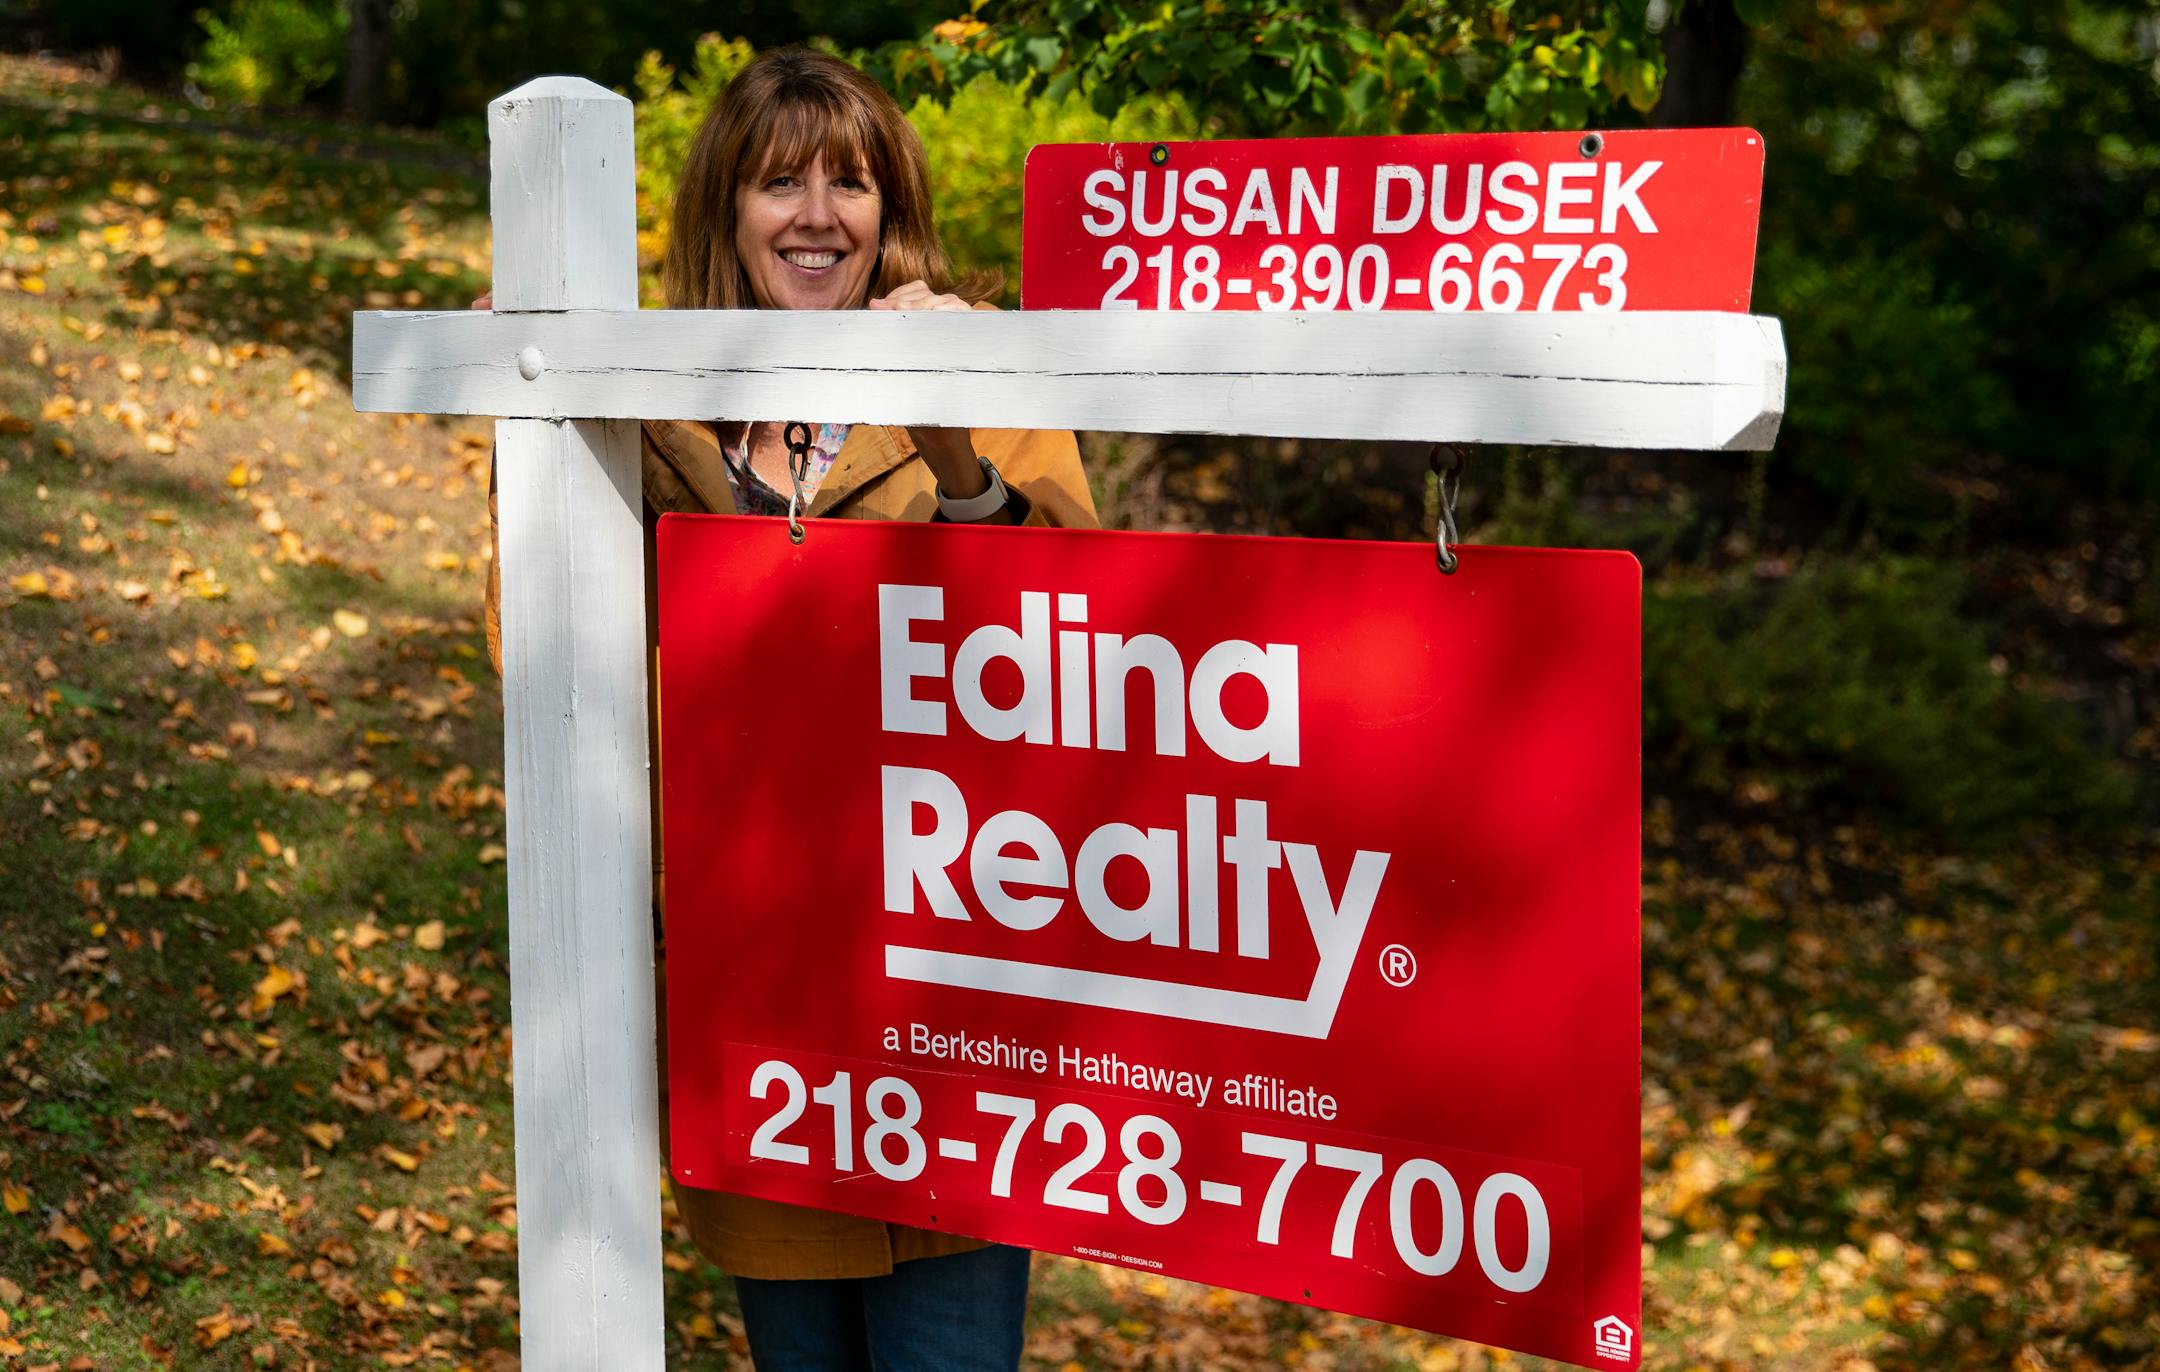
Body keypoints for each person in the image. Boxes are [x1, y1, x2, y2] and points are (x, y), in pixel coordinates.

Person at [479, 45, 1097, 1372]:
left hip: (952, 1010)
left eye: (852, 182)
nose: (818, 214)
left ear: (894, 209)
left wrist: (959, 454)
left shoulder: (990, 368)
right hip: (756, 1015)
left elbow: (1070, 672)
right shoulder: (655, 416)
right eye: (779, 183)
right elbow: (544, 657)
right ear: (726, 212)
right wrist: (526, 425)